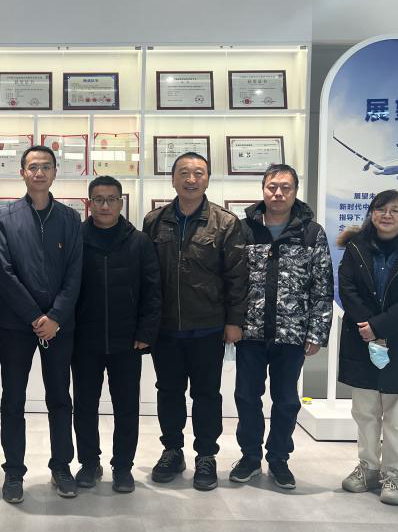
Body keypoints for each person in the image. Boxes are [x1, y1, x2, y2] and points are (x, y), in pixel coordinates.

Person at [142, 152, 248, 491]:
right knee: (168, 391)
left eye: (199, 173)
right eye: (184, 173)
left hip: (208, 326)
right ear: (173, 179)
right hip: (166, 329)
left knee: (206, 394)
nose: (191, 179)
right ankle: (172, 451)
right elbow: (146, 277)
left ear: (207, 179)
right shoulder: (154, 221)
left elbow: (237, 277)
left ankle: (206, 455)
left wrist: (234, 321)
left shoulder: (225, 223)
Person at [229, 164, 333, 489]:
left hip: (293, 332)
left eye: (285, 187)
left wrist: (317, 332)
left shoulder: (311, 232)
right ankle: (249, 457)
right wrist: (231, 322)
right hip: (250, 332)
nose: (278, 193)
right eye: (272, 186)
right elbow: (231, 281)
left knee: (286, 400)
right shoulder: (244, 229)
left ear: (295, 192)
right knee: (247, 397)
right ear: (263, 189)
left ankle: (278, 459)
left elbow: (322, 285)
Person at [0, 145, 83, 502]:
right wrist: (34, 316)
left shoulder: (70, 218)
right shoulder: (5, 217)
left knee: (60, 398)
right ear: (23, 173)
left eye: (46, 166)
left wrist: (56, 316)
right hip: (17, 324)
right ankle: (14, 471)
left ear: (55, 172)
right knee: (13, 399)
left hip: (60, 326)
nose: (39, 173)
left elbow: (75, 272)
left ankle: (61, 466)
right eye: (33, 167)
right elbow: (3, 271)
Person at [336, 189, 398, 506]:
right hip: (361, 337)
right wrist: (368, 326)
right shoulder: (356, 246)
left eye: (396, 210)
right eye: (381, 209)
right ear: (371, 213)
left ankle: (392, 474)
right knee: (364, 412)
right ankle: (368, 468)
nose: (387, 215)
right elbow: (346, 288)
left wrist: (379, 326)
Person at [72, 175, 161, 494]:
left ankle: (123, 467)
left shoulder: (139, 242)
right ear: (89, 204)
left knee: (126, 406)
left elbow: (153, 291)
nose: (105, 205)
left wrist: (146, 331)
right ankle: (89, 463)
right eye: (99, 199)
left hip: (127, 340)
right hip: (84, 340)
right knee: (84, 405)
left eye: (111, 199)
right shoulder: (76, 239)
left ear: (121, 203)